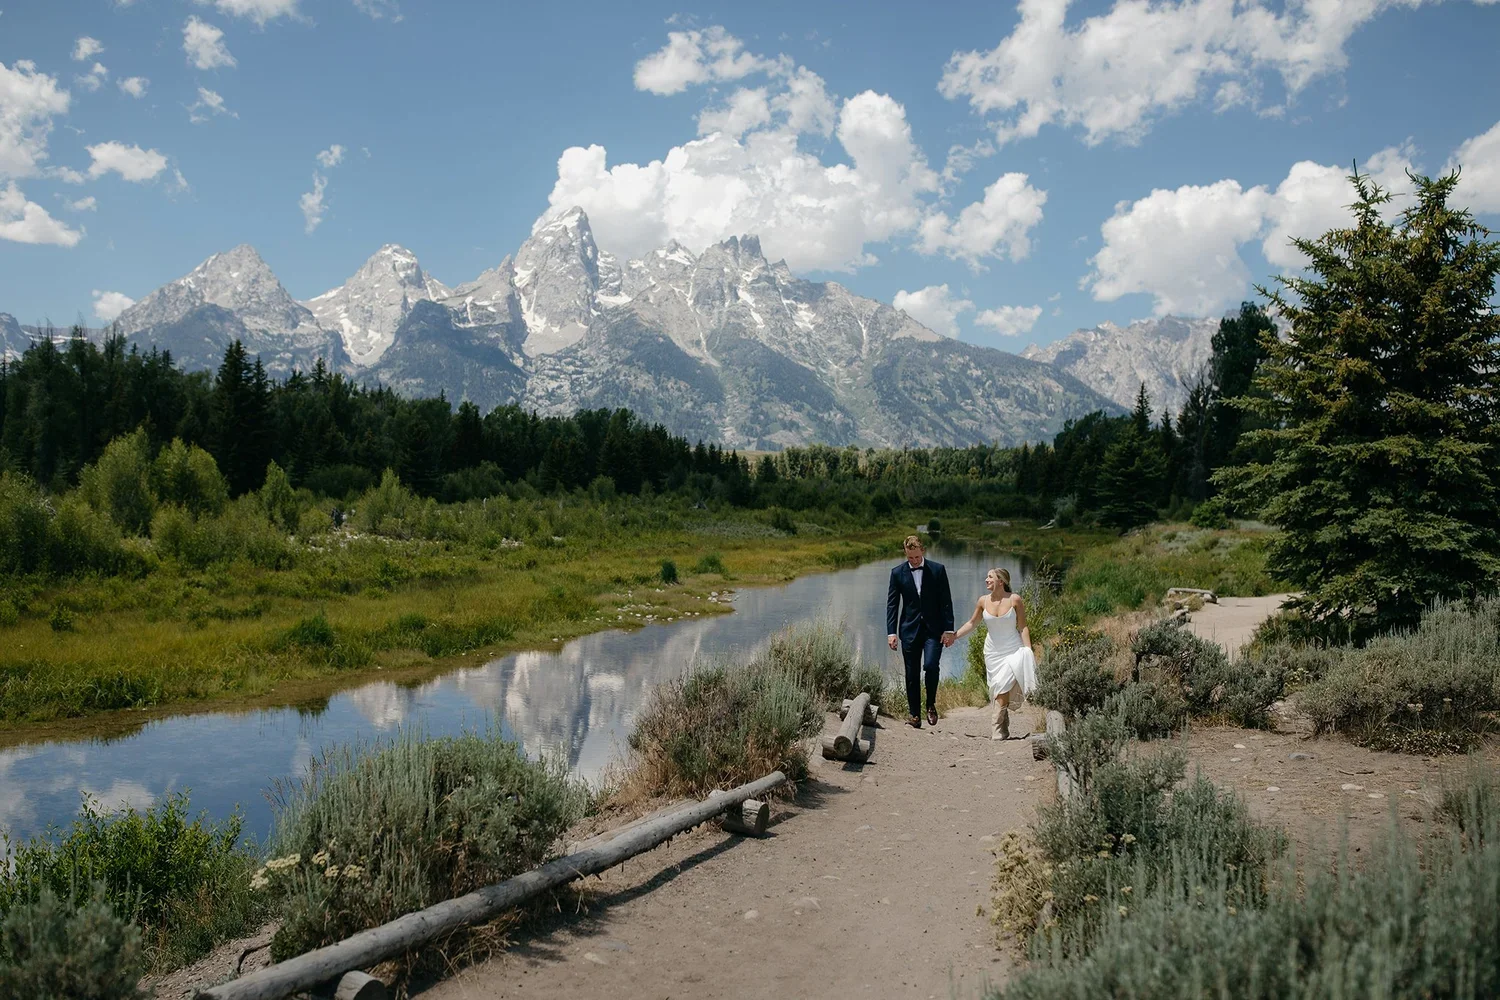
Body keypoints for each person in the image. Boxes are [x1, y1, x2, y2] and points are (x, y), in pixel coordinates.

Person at [952, 567, 1037, 740]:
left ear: (1001, 581)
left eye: (990, 577)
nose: (986, 580)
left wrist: (1028, 651)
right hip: (992, 652)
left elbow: (1023, 627)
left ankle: (996, 728)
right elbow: (972, 623)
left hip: (1012, 649)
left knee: (1002, 686)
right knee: (997, 687)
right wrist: (954, 636)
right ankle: (1004, 727)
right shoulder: (983, 601)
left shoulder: (1015, 600)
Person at [886, 535, 955, 729]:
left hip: (934, 630)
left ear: (922, 551)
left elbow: (946, 602)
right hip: (909, 630)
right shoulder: (897, 573)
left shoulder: (938, 570)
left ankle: (931, 704)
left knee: (931, 666)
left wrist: (949, 629)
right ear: (906, 554)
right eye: (910, 558)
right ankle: (914, 715)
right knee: (911, 673)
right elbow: (892, 605)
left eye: (917, 557)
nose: (914, 561)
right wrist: (891, 633)